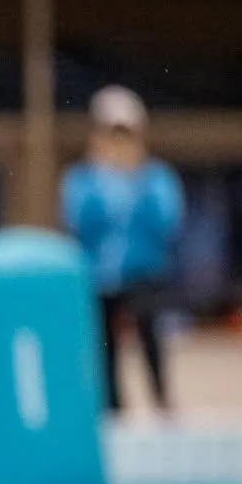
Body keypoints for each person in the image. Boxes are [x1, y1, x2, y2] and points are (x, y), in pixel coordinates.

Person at [59, 86, 184, 416]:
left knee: (150, 339)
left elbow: (168, 222)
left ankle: (161, 403)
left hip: (143, 274)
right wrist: (102, 176)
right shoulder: (82, 179)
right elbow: (76, 220)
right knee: (104, 349)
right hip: (98, 278)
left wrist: (135, 179)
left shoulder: (155, 177)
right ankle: (111, 409)